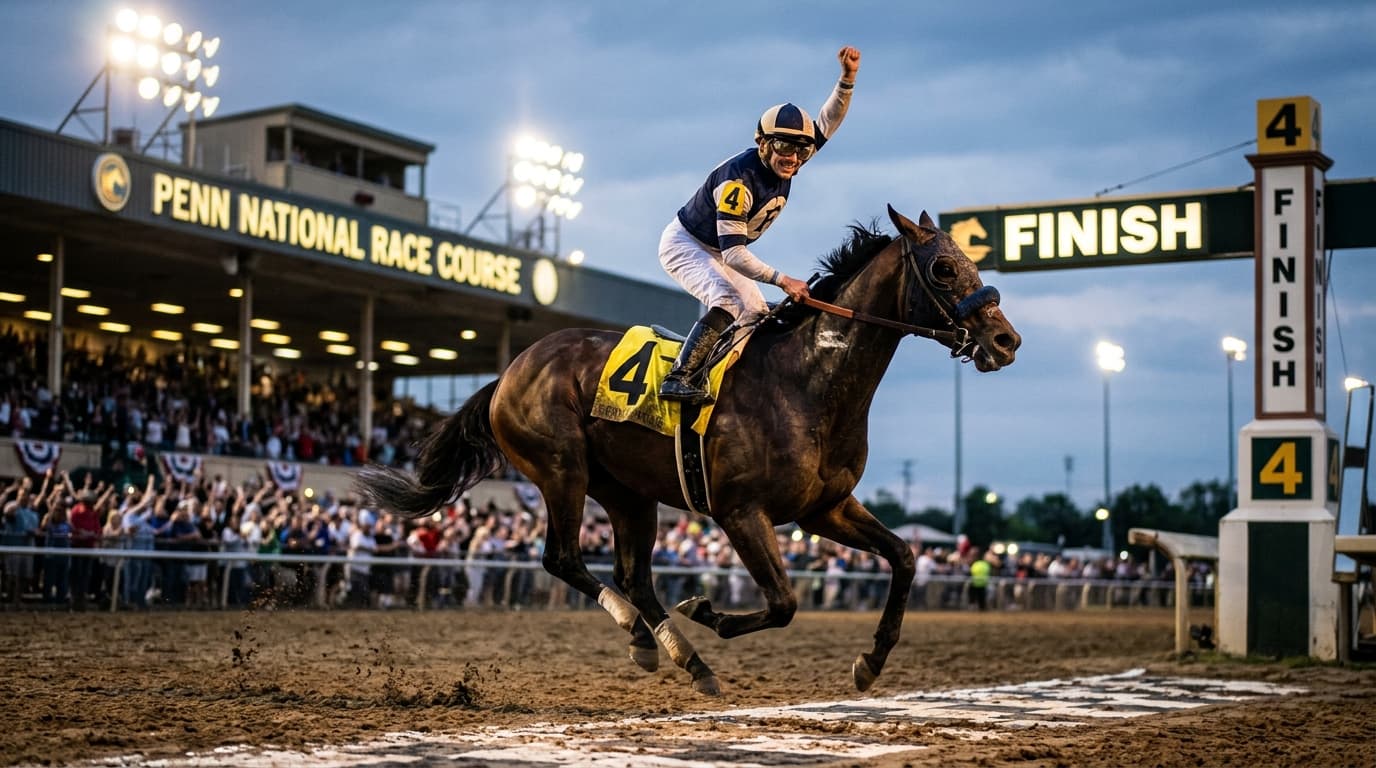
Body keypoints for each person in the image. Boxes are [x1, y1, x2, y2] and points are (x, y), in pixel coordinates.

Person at [657, 45, 861, 404]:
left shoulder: (791, 156)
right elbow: (734, 254)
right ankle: (680, 376)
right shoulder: (739, 182)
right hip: (687, 244)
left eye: (802, 150)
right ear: (763, 144)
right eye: (784, 146)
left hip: (719, 249)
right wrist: (782, 280)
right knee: (726, 299)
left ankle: (724, 381)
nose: (794, 158)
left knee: (756, 311)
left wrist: (847, 80)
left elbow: (827, 122)